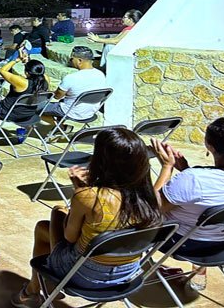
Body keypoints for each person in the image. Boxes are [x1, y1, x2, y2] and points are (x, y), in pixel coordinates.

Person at [12, 128, 162, 307]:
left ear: (101, 159)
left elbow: (69, 238)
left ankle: (32, 290)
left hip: (83, 276)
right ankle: (32, 289)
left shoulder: (89, 197)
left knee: (57, 213)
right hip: (126, 275)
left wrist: (80, 191)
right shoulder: (151, 198)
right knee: (44, 228)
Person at [151, 117, 224, 291]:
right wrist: (186, 171)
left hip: (184, 243)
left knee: (132, 216)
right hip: (223, 241)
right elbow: (216, 190)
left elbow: (151, 208)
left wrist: (167, 167)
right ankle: (199, 271)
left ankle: (123, 269)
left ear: (210, 146)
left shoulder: (194, 179)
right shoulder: (194, 177)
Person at [41, 46, 106, 128]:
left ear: (79, 61)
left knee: (33, 108)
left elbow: (57, 96)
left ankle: (62, 127)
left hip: (72, 112)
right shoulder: (100, 74)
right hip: (90, 112)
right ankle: (60, 127)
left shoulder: (70, 78)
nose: (70, 61)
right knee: (63, 101)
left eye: (72, 58)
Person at [0, 51, 50, 133]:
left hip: (9, 113)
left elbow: (2, 70)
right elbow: (40, 73)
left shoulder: (22, 83)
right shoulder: (46, 81)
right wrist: (27, 62)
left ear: (27, 72)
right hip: (29, 114)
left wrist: (16, 60)